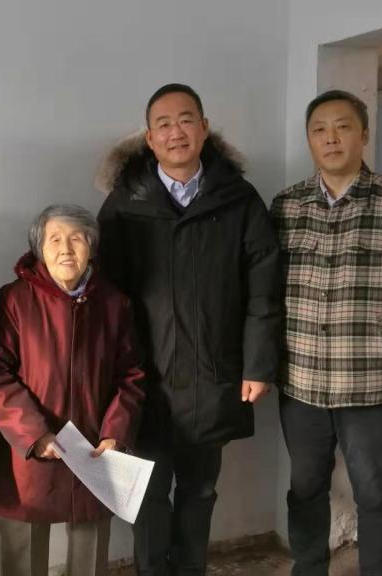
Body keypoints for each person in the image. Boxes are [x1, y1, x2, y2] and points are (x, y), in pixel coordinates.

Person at [97, 83, 282, 575]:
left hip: (213, 373)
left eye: (185, 120)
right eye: (163, 124)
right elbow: (105, 300)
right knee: (148, 495)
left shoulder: (239, 200)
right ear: (150, 138)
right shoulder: (124, 203)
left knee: (200, 492)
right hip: (144, 379)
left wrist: (258, 364)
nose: (175, 132)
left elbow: (263, 290)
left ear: (204, 128)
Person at [271, 89, 382, 576]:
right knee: (305, 489)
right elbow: (265, 296)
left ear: (363, 135)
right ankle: (309, 568)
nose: (331, 138)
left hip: (370, 385)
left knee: (376, 492)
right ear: (309, 140)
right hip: (301, 383)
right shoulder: (286, 206)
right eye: (319, 130)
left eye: (343, 127)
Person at [0, 204, 145, 576]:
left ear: (92, 246)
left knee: (90, 549)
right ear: (39, 248)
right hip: (26, 451)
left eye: (76, 238)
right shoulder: (11, 302)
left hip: (94, 449)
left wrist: (115, 434)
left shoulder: (114, 304)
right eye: (54, 239)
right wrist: (34, 434)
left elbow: (131, 375)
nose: (66, 249)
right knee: (22, 553)